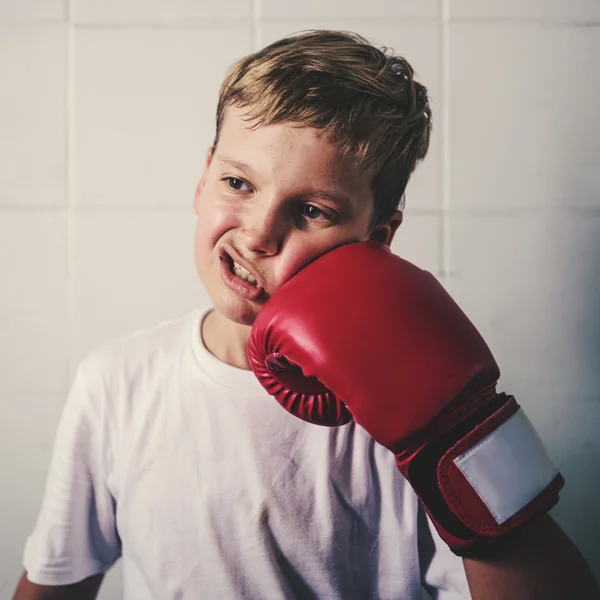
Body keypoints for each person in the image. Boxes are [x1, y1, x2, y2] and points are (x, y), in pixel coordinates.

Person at [12, 30, 599, 600]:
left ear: (377, 237)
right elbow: (55, 584)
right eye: (238, 182)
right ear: (202, 178)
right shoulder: (116, 384)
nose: (260, 232)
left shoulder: (402, 421)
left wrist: (457, 435)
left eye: (313, 210)